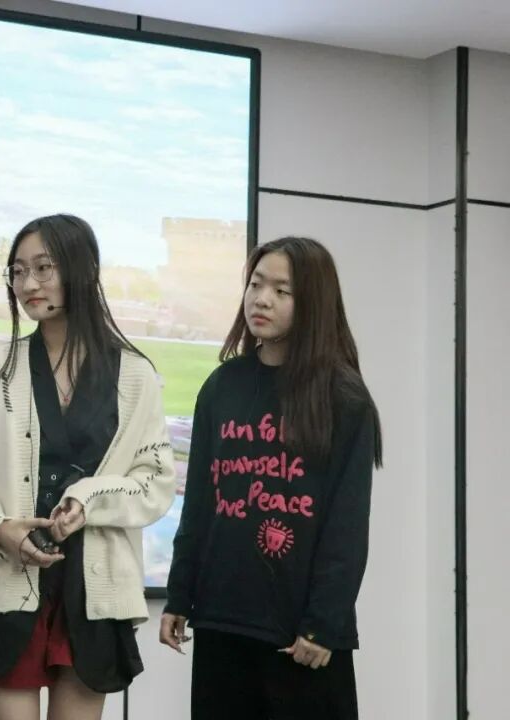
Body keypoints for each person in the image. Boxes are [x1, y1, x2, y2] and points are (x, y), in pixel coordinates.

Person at [0, 214, 177, 720]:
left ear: (82, 270)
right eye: (18, 271)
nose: (28, 284)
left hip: (94, 591)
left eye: (44, 268)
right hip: (4, 580)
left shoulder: (136, 375)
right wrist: (0, 529)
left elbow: (155, 481)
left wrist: (88, 500)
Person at [160, 236, 383, 720]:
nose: (262, 299)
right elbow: (198, 503)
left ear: (314, 303)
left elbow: (346, 525)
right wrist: (179, 594)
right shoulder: (221, 387)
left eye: (282, 291)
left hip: (299, 636)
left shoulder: (344, 399)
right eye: (256, 285)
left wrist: (323, 623)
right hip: (222, 620)